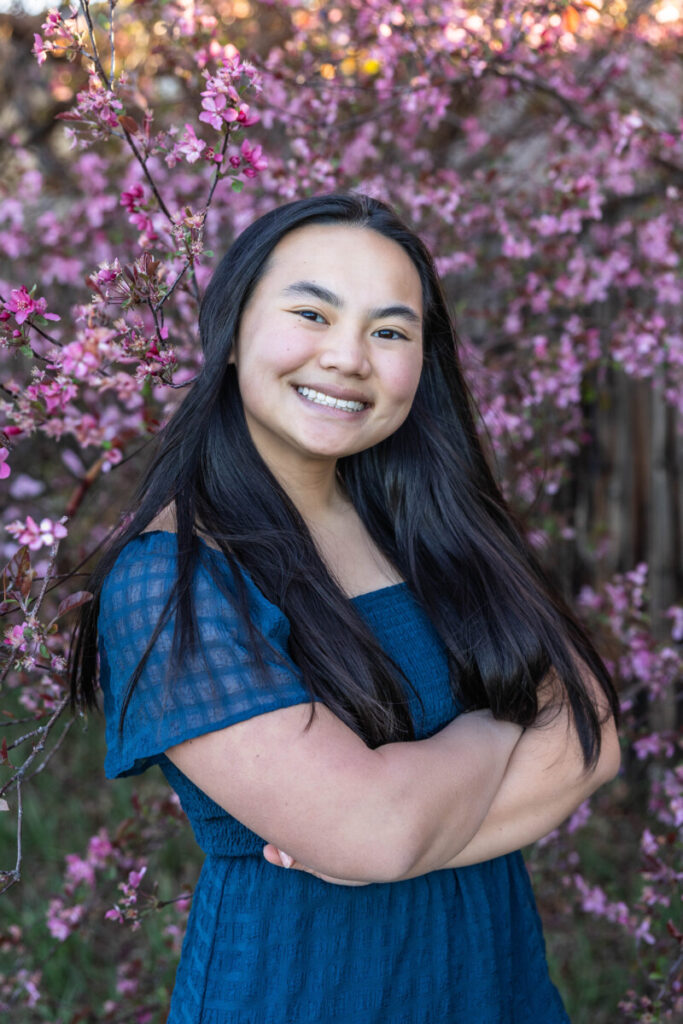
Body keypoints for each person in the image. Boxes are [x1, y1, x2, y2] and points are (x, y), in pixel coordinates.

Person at [70, 191, 621, 1023]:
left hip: (493, 985)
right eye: (311, 313)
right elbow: (373, 833)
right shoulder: (173, 578)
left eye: (389, 331)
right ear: (230, 334)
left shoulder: (426, 522)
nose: (348, 358)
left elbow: (591, 737)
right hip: (304, 991)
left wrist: (395, 835)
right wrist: (502, 723)